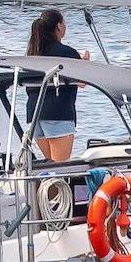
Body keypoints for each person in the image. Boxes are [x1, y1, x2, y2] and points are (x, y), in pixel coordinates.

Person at [23, 9, 87, 161]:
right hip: (58, 113)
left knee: (50, 163)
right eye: (64, 23)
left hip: (34, 114)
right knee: (60, 166)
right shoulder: (67, 53)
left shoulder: (32, 53)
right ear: (59, 26)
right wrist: (85, 63)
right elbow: (82, 82)